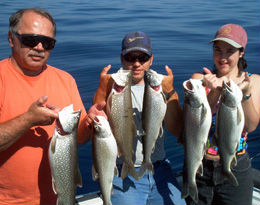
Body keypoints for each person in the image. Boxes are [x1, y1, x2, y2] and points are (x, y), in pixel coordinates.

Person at [0, 8, 98, 205]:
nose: (40, 47)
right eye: (30, 40)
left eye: (48, 42)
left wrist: (91, 122)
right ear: (11, 38)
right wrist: (28, 120)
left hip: (58, 198)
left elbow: (79, 137)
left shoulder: (65, 79)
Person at [90, 31, 186, 205]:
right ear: (122, 59)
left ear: (151, 59)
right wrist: (102, 89)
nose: (136, 64)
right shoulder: (112, 83)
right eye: (130, 57)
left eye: (142, 58)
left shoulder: (160, 84)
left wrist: (171, 93)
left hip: (159, 168)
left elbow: (176, 129)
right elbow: (97, 123)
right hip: (122, 170)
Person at [186, 24, 260, 205]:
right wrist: (215, 92)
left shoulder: (254, 81)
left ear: (241, 53)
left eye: (230, 51)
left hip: (236, 164)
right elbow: (193, 123)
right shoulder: (199, 79)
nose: (223, 57)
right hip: (200, 163)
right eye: (218, 50)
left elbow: (250, 126)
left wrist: (246, 95)